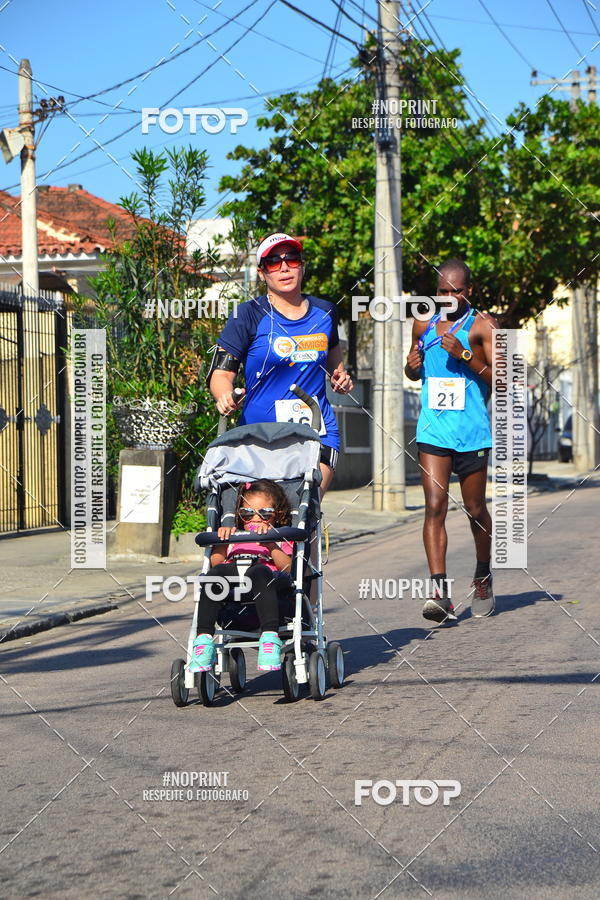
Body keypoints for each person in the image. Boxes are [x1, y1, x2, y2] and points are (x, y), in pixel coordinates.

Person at [207, 232, 353, 495]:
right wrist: (224, 396)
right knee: (268, 516)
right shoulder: (247, 315)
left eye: (292, 259)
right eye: (273, 262)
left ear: (302, 266)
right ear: (262, 273)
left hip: (316, 431)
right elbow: (221, 374)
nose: (284, 267)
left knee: (305, 510)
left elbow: (336, 367)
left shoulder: (326, 312)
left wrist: (341, 379)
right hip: (260, 435)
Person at [404, 259, 497, 623]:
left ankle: (483, 574)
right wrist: (411, 366)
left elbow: (502, 382)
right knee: (434, 505)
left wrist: (466, 355)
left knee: (475, 509)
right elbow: (413, 370)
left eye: (455, 291)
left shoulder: (483, 325)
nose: (447, 298)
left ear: (468, 291)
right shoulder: (423, 322)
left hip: (471, 432)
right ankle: (440, 592)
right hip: (433, 431)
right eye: (442, 291)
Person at [189, 479, 294, 673]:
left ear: (277, 514)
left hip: (266, 584)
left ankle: (270, 638)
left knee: (260, 572)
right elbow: (217, 562)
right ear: (239, 516)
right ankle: (203, 640)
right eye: (247, 513)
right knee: (214, 575)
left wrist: (270, 543)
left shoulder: (281, 536)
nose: (255, 519)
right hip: (234, 591)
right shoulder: (236, 535)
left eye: (264, 513)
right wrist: (223, 540)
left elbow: (287, 568)